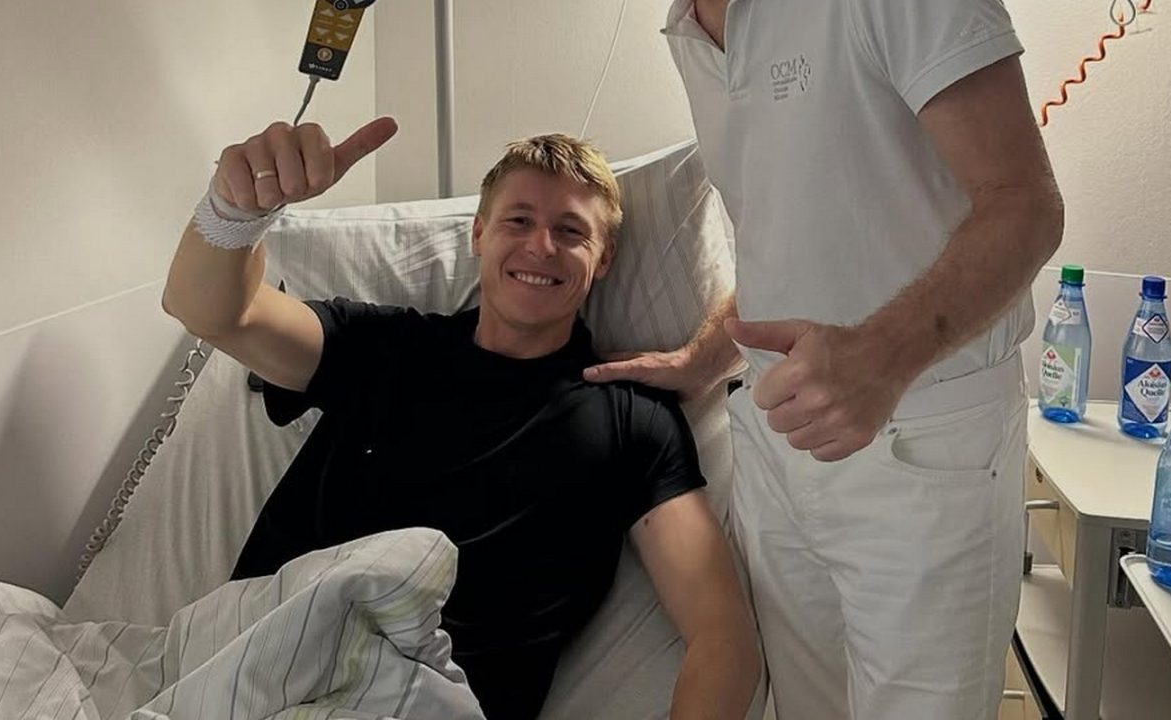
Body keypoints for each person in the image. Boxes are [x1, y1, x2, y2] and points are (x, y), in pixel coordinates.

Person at [162, 120, 760, 720]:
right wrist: (235, 211)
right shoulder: (383, 348)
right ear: (478, 234)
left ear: (603, 259)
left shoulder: (632, 420)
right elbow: (215, 313)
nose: (541, 246)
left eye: (571, 231)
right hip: (253, 672)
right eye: (518, 220)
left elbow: (723, 639)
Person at [582, 1, 1065, 718]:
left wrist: (881, 357)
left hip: (920, 439)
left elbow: (1026, 205)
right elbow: (790, 235)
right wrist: (701, 358)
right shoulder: (690, 26)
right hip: (777, 437)